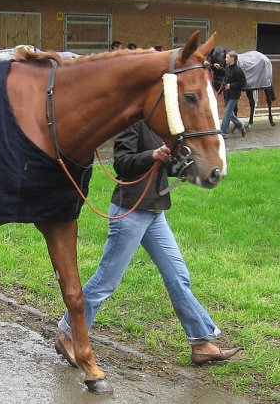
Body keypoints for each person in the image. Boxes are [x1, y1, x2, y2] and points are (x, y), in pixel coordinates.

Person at [55, 120, 243, 367]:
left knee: (178, 276)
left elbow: (167, 166)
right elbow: (122, 163)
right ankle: (69, 334)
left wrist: (186, 164)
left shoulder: (164, 125)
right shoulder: (134, 123)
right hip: (130, 213)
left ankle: (201, 343)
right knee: (105, 282)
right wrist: (153, 155)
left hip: (155, 213)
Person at [216, 51, 246, 139]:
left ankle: (223, 133)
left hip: (234, 95)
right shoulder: (228, 68)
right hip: (227, 94)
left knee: (227, 113)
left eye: (227, 57)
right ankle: (240, 125)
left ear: (232, 59)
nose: (225, 59)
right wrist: (219, 68)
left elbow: (243, 82)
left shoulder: (238, 70)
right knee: (230, 114)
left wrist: (231, 85)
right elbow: (226, 73)